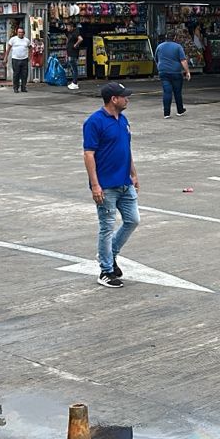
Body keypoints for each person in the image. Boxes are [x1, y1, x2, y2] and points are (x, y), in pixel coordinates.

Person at [84, 82, 140, 289]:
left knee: (133, 220)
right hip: (106, 185)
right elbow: (88, 154)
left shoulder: (123, 120)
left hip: (125, 182)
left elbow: (126, 149)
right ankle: (106, 271)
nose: (128, 99)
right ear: (113, 99)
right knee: (106, 227)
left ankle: (109, 254)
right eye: (124, 96)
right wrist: (95, 185)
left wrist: (133, 173)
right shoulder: (94, 122)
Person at [155, 30, 191, 118]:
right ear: (174, 38)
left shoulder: (159, 46)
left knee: (167, 92)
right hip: (175, 72)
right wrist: (187, 72)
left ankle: (166, 113)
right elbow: (183, 60)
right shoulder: (178, 47)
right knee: (177, 92)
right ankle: (180, 110)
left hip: (163, 72)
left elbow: (156, 58)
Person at [6, 26, 33, 93]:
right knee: (16, 74)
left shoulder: (27, 40)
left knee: (24, 74)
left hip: (24, 59)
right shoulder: (13, 39)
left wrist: (30, 56)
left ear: (24, 33)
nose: (20, 33)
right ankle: (16, 88)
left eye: (21, 32)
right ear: (17, 32)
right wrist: (5, 57)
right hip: (15, 59)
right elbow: (8, 49)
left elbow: (30, 48)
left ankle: (23, 87)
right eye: (19, 32)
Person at [66, 24, 88, 91]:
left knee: (74, 68)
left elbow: (81, 39)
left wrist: (75, 45)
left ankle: (75, 83)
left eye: (68, 26)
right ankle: (74, 82)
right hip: (70, 53)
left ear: (72, 27)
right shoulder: (70, 33)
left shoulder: (75, 32)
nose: (67, 28)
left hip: (73, 53)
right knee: (72, 68)